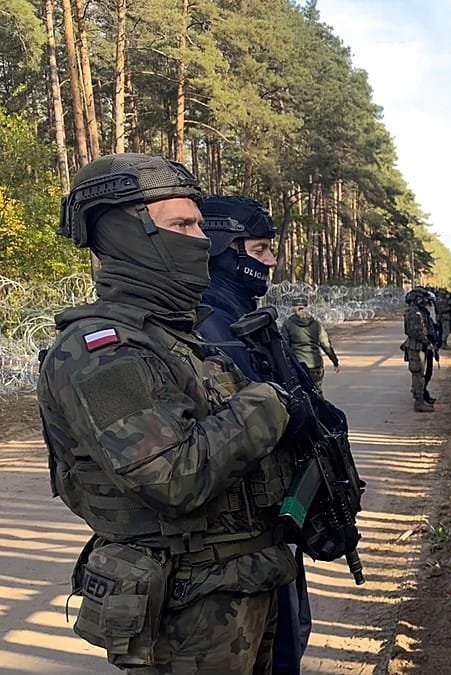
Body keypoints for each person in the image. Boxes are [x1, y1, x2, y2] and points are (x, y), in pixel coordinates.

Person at [36, 154, 300, 672]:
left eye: (200, 223)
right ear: (124, 235)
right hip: (186, 606)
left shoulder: (177, 335)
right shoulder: (101, 354)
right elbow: (172, 476)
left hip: (239, 585)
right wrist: (267, 403)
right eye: (182, 224)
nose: (201, 239)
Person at [195, 195, 312, 675]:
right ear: (226, 249)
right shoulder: (208, 323)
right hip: (233, 546)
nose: (271, 262)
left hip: (265, 531)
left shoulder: (245, 319)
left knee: (288, 638)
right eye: (260, 250)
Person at [283, 296, 339, 394]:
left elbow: (285, 347)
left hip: (298, 365)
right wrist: (335, 361)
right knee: (317, 392)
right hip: (315, 365)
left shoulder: (287, 324)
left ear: (293, 308)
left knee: (302, 393)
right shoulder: (316, 324)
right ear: (306, 307)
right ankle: (320, 408)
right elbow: (325, 344)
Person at [404, 288, 437, 412]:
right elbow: (414, 331)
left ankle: (423, 395)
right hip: (416, 347)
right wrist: (426, 342)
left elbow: (428, 327)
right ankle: (419, 401)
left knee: (425, 374)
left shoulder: (421, 311)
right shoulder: (413, 313)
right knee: (418, 374)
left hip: (422, 346)